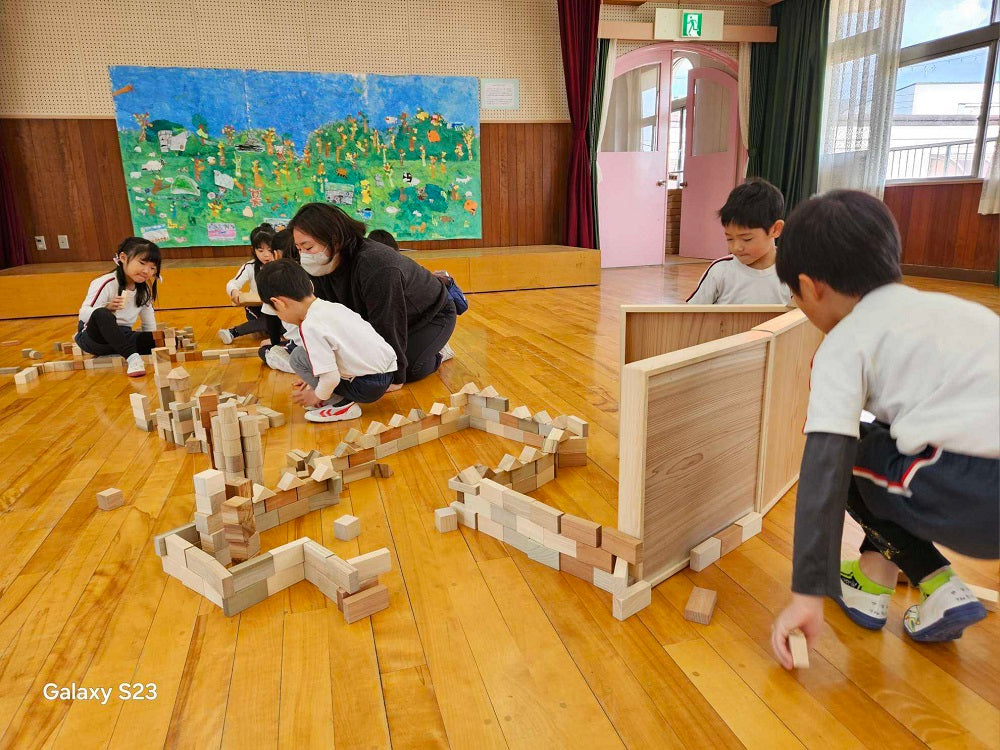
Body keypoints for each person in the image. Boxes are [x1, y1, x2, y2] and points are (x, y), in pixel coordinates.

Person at [769, 190, 998, 669]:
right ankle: (873, 582)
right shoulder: (949, 310)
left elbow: (823, 472)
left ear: (811, 287)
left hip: (978, 495)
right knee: (887, 442)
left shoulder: (844, 343)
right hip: (976, 480)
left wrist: (807, 593)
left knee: (850, 455)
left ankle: (935, 584)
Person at [284, 203, 456, 389]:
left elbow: (389, 322)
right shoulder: (319, 266)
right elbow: (327, 320)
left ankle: (438, 352)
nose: (303, 255)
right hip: (381, 319)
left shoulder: (377, 265)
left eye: (308, 247)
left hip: (430, 316)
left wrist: (395, 378)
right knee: (359, 367)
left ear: (334, 240)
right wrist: (322, 371)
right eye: (299, 248)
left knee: (409, 370)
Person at [255, 259, 397, 423]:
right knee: (303, 354)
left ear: (279, 303)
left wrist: (316, 395)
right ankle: (334, 396)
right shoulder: (332, 307)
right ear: (310, 285)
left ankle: (341, 405)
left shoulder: (310, 326)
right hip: (386, 374)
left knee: (297, 358)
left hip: (366, 386)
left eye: (275, 312)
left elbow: (331, 378)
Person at [686, 178, 792, 305]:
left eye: (746, 239)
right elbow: (691, 314)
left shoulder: (794, 272)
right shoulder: (720, 271)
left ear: (775, 229)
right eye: (729, 238)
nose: (735, 248)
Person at [366, 227, 464, 362]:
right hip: (412, 321)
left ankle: (440, 350)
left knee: (409, 364)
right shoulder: (377, 272)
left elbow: (460, 306)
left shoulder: (402, 270)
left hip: (428, 318)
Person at [75, 237, 162, 377]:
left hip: (123, 336)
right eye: (142, 263)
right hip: (95, 338)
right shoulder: (106, 282)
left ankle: (124, 351)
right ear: (123, 258)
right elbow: (83, 314)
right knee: (102, 314)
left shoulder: (143, 290)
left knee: (165, 340)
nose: (147, 271)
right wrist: (107, 308)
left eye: (152, 268)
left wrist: (152, 340)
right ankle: (132, 358)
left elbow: (148, 321)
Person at [218, 223, 277, 344]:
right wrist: (234, 291)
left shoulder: (282, 265)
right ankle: (233, 332)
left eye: (270, 250)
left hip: (277, 307)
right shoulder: (250, 267)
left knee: (276, 321)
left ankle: (262, 329)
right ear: (254, 250)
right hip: (257, 307)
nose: (266, 255)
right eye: (260, 250)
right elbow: (233, 283)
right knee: (267, 321)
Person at [256, 228, 300, 373]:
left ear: (276, 253)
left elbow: (271, 319)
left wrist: (275, 343)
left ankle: (298, 365)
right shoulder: (310, 271)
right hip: (326, 341)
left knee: (265, 351)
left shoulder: (274, 277)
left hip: (301, 344)